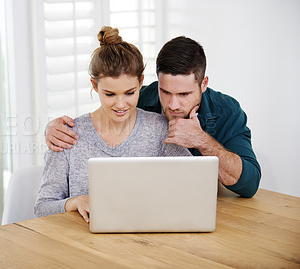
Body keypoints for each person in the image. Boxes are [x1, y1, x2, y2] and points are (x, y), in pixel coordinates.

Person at [45, 36, 261, 198]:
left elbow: (249, 184)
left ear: (203, 84)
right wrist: (53, 128)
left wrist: (201, 141)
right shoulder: (139, 96)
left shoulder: (226, 110)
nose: (173, 105)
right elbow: (110, 100)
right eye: (165, 92)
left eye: (184, 94)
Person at [34, 27, 191, 222]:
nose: (120, 104)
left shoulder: (160, 130)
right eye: (109, 94)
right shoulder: (67, 136)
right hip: (81, 245)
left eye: (130, 93)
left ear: (141, 82)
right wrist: (73, 202)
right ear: (94, 85)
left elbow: (191, 187)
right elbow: (41, 208)